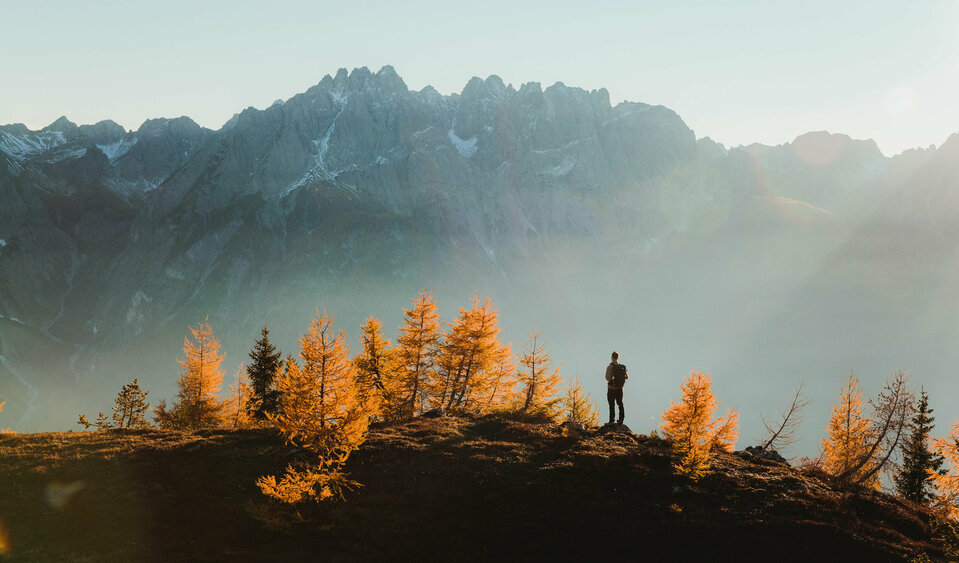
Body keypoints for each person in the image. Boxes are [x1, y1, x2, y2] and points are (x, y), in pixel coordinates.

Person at [605, 351, 627, 424]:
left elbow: (608, 378)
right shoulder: (622, 367)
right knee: (620, 403)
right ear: (618, 357)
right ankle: (621, 419)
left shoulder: (610, 367)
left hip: (611, 388)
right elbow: (626, 376)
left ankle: (611, 420)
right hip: (619, 388)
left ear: (611, 357)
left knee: (611, 404)